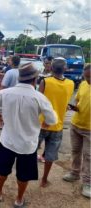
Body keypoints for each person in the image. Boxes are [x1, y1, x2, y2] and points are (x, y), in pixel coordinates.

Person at [0, 63, 57, 208]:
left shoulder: (5, 93)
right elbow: (52, 120)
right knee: (23, 175)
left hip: (8, 141)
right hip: (27, 145)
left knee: (2, 170)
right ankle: (19, 200)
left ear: (19, 78)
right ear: (35, 80)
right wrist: (45, 123)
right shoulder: (39, 98)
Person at [38, 58, 75, 188]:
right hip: (57, 125)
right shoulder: (71, 84)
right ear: (65, 69)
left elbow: (37, 101)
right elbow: (64, 103)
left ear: (51, 68)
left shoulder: (45, 82)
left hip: (41, 123)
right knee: (50, 155)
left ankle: (27, 174)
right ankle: (44, 180)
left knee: (31, 150)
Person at [63, 64, 91, 198]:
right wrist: (74, 108)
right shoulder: (83, 84)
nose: (88, 80)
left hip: (90, 129)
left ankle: (88, 183)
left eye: (90, 77)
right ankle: (74, 173)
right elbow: (79, 102)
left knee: (88, 156)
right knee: (75, 151)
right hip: (76, 124)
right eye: (86, 77)